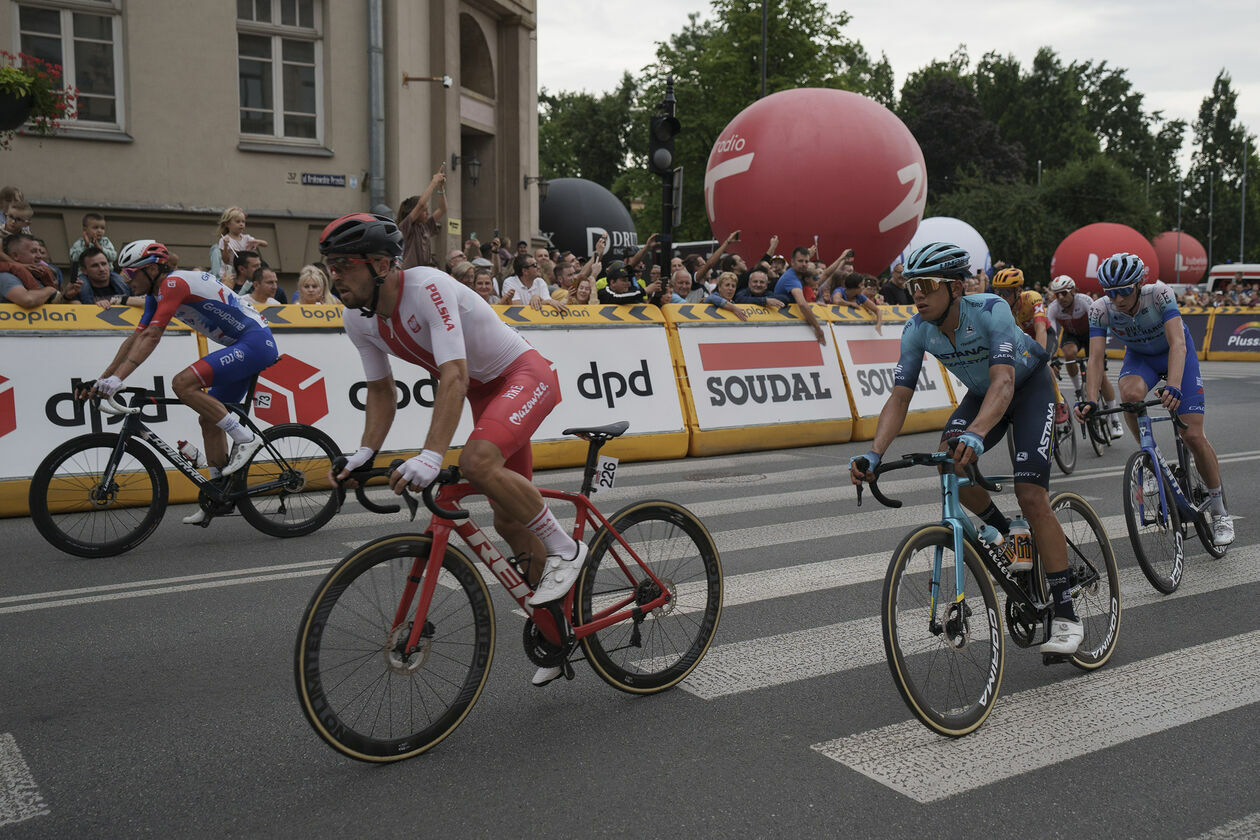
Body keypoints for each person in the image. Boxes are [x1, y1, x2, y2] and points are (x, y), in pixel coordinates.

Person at [319, 212, 585, 687]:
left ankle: (566, 550)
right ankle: (559, 629)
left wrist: (430, 456)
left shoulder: (426, 288)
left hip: (524, 376)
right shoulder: (358, 319)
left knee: (476, 462)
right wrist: (364, 452)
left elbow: (454, 376)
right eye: (330, 265)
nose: (333, 275)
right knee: (508, 519)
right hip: (488, 394)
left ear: (381, 264)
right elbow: (381, 390)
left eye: (343, 264)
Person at [849, 241, 1083, 655]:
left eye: (927, 284)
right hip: (982, 394)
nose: (916, 293)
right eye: (911, 284)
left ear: (955, 288)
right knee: (949, 461)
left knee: (1031, 494)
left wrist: (976, 432)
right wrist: (874, 454)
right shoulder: (916, 329)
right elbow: (899, 396)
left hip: (1027, 389)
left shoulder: (991, 309)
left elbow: (1005, 382)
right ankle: (1007, 531)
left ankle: (1065, 610)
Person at [85, 241, 280, 523]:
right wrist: (104, 379)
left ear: (152, 269)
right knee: (208, 420)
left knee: (182, 383)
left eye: (130, 273)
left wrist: (118, 379)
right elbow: (136, 339)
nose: (127, 280)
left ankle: (246, 438)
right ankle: (219, 495)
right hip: (243, 344)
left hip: (255, 343)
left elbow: (153, 337)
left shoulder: (174, 284)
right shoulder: (155, 294)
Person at [1076, 253, 1233, 545]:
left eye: (1124, 290)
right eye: (1111, 292)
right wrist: (1090, 399)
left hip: (1176, 354)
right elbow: (1096, 358)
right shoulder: (1100, 309)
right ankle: (1150, 459)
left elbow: (1177, 343)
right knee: (1130, 395)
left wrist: (1173, 385)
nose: (1118, 298)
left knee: (1194, 437)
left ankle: (1220, 511)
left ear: (1139, 284)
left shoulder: (1159, 294)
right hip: (1141, 359)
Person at [1046, 275, 1123, 438]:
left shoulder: (1085, 301)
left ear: (1073, 291)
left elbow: (1099, 326)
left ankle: (1114, 418)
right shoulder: (1053, 308)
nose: (1060, 298)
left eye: (1064, 293)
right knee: (1068, 353)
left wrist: (1101, 355)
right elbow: (1051, 335)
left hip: (1091, 335)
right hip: (1071, 335)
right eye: (1056, 294)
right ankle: (1077, 389)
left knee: (1100, 375)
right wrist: (1052, 358)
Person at [991, 266, 1065, 422]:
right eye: (997, 292)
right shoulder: (1001, 308)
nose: (1001, 297)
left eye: (1005, 293)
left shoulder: (1032, 297)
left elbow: (1040, 328)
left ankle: (1059, 402)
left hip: (1044, 333)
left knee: (1044, 365)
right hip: (1024, 339)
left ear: (1018, 291)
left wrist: (1040, 356)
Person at [772, 246, 826, 344]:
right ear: (792, 262)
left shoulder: (798, 275)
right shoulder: (791, 278)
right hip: (782, 326)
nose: (804, 264)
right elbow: (802, 304)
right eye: (800, 261)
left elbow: (824, 276)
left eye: (806, 261)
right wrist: (818, 329)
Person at [398, 163, 447, 269]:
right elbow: (421, 204)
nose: (428, 213)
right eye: (424, 211)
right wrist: (434, 182)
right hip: (410, 271)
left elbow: (442, 209)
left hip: (424, 271)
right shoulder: (406, 225)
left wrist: (441, 187)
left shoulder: (425, 226)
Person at [68, 245, 132, 307]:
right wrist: (96, 308)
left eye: (104, 264)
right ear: (84, 270)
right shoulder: (77, 290)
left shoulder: (125, 284)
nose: (102, 269)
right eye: (95, 266)